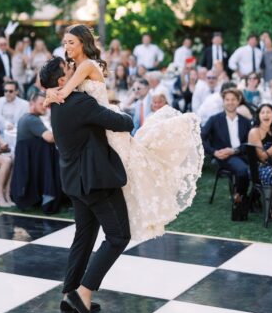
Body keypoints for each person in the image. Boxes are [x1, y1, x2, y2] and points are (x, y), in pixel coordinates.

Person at [45, 24, 203, 242]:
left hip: (106, 122)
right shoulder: (76, 67)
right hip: (98, 124)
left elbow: (64, 91)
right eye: (65, 42)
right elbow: (63, 89)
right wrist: (51, 91)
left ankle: (121, 225)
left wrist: (49, 93)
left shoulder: (87, 65)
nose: (67, 46)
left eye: (71, 42)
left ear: (83, 43)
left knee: (128, 171)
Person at [40, 56, 134, 313]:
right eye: (71, 69)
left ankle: (68, 293)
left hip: (74, 181)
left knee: (84, 236)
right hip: (96, 182)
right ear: (61, 81)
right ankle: (84, 292)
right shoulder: (79, 103)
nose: (77, 70)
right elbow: (121, 123)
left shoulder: (57, 102)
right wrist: (124, 113)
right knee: (118, 236)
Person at [202, 88, 251, 206]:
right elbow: (201, 137)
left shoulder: (245, 121)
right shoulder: (214, 119)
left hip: (242, 153)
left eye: (233, 99)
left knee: (261, 170)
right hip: (224, 157)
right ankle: (240, 197)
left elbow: (248, 142)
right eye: (227, 99)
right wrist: (213, 152)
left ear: (238, 101)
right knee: (243, 170)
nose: (230, 102)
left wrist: (234, 150)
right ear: (223, 102)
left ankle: (251, 198)